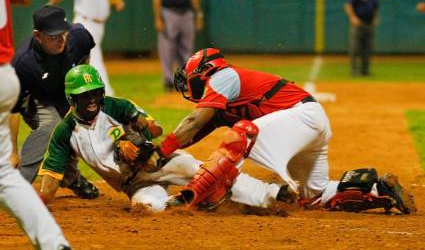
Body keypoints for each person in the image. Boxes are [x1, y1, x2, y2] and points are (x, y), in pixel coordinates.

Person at [146, 48, 416, 214]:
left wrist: (161, 151)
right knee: (314, 197)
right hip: (308, 123)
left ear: (204, 70)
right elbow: (194, 133)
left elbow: (193, 121)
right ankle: (378, 188)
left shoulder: (223, 76)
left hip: (300, 117)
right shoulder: (220, 103)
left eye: (191, 75)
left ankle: (191, 197)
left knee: (241, 134)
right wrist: (154, 151)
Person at [39, 64, 290, 212]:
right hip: (135, 186)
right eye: (84, 96)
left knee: (205, 172)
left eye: (95, 93)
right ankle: (186, 200)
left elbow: (155, 128)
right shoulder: (64, 134)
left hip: (159, 162)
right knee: (148, 210)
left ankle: (272, 196)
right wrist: (34, 201)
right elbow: (49, 184)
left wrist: (134, 136)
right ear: (72, 99)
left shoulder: (116, 106)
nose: (92, 99)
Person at [0, 0, 71, 249]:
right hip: (6, 76)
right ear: (38, 35)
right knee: (5, 174)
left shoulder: (76, 38)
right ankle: (55, 243)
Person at [10, 5, 99, 200]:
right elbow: (12, 110)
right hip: (35, 100)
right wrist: (13, 152)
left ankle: (71, 177)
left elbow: (85, 54)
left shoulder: (78, 37)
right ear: (37, 36)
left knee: (76, 133)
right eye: (53, 36)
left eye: (63, 33)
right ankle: (17, 186)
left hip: (64, 95)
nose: (61, 40)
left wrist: (82, 85)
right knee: (52, 126)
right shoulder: (24, 63)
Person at [47, 0, 125, 96]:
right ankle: (105, 90)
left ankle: (71, 86)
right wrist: (49, 5)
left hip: (100, 25)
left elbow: (114, 0)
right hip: (84, 23)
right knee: (94, 55)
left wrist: (118, 3)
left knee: (81, 57)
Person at [152, 0, 204, 91]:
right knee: (167, 48)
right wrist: (158, 18)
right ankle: (169, 81)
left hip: (187, 14)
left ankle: (184, 81)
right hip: (169, 13)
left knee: (187, 49)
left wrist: (198, 14)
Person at [344, 0, 379, 76]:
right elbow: (348, 5)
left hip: (369, 23)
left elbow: (375, 8)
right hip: (359, 23)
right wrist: (353, 17)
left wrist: (375, 18)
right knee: (355, 48)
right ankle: (354, 71)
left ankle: (365, 71)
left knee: (367, 49)